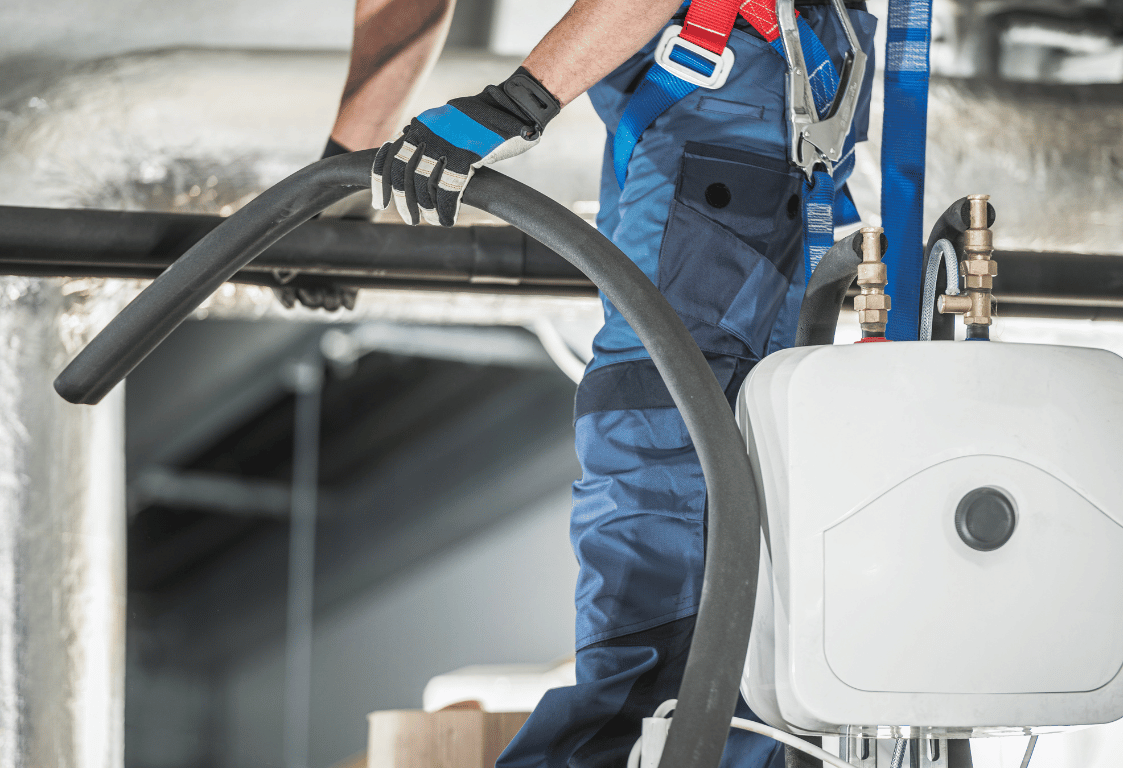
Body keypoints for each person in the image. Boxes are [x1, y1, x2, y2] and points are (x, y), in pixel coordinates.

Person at [336, 1, 875, 765]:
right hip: (699, 99)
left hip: (726, 92)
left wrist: (513, 106)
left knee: (662, 431)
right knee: (692, 445)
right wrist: (342, 181)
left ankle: (652, 736)